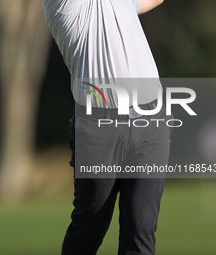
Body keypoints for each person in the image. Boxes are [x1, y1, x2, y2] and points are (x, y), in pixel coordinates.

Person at [43, 0, 170, 254]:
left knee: (141, 227)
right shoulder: (60, 4)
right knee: (88, 229)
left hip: (151, 121)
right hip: (99, 126)